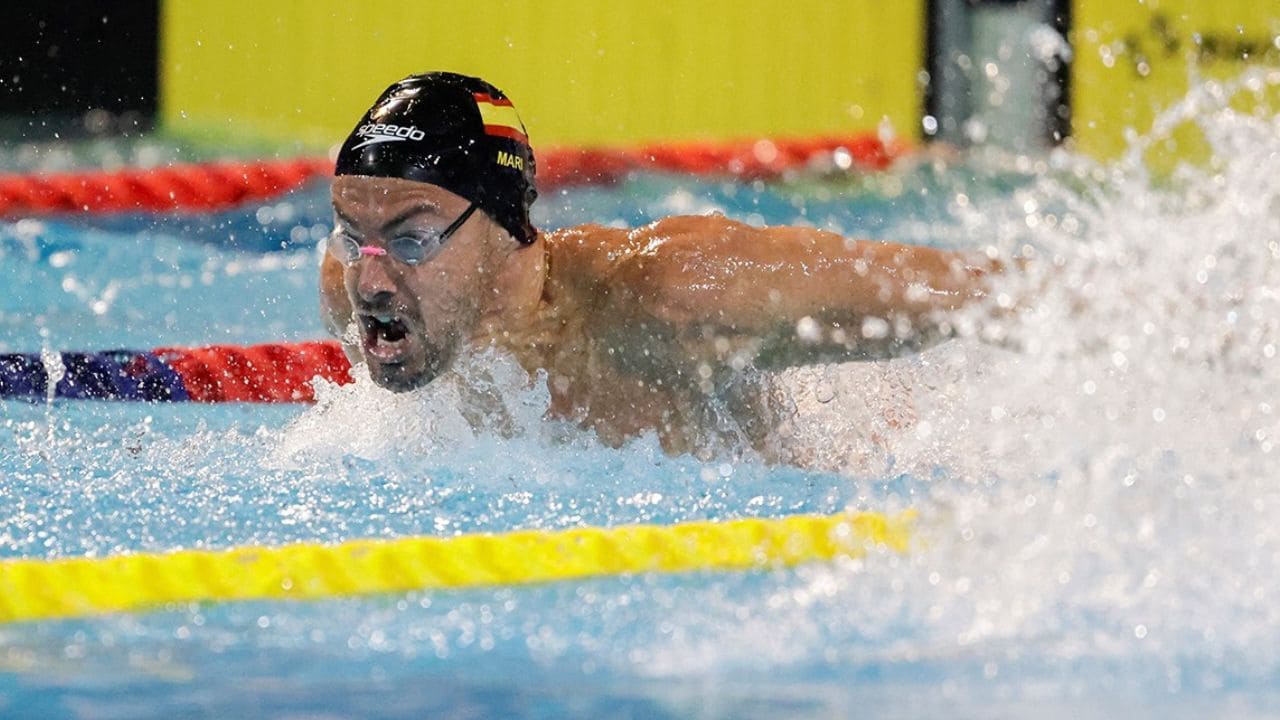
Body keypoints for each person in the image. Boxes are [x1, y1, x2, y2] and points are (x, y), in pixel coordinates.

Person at [320, 72, 1001, 457]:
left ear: (506, 229)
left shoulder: (672, 296)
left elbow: (981, 293)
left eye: (412, 240)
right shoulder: (354, 288)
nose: (372, 282)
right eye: (355, 236)